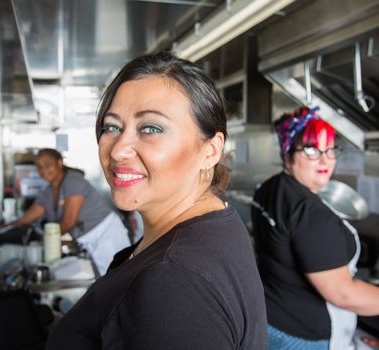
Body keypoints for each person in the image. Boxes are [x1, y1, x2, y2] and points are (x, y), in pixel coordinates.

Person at [46, 52, 267, 350]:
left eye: (151, 128)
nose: (118, 150)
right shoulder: (213, 222)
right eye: (111, 127)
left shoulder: (174, 283)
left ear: (211, 151)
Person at [251, 106, 379, 349]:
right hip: (302, 336)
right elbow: (344, 294)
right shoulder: (313, 216)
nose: (325, 159)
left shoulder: (269, 188)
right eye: (311, 150)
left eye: (330, 149)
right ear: (287, 153)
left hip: (269, 318)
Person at [10, 148, 130, 275]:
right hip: (86, 240)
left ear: (59, 163)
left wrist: (45, 241)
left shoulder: (73, 181)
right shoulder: (49, 192)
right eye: (39, 166)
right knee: (101, 280)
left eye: (47, 164)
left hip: (105, 234)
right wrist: (4, 227)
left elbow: (68, 222)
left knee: (117, 277)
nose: (43, 170)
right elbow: (27, 218)